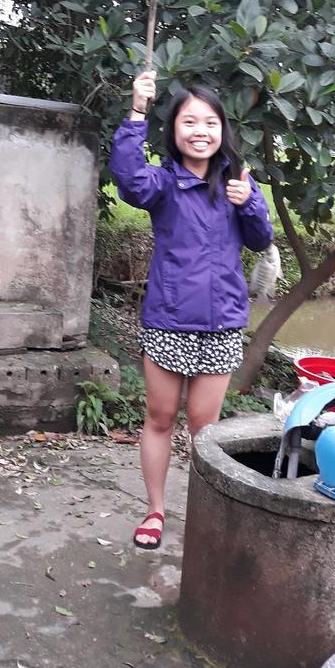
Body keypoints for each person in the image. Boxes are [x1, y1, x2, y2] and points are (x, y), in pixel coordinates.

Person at [111, 69, 275, 549]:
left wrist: (250, 205)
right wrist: (137, 111)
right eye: (189, 122)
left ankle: (207, 515)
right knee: (160, 418)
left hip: (222, 322)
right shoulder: (161, 183)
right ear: (175, 130)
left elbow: (261, 239)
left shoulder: (238, 182)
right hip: (168, 319)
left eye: (210, 122)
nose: (200, 131)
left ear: (222, 130)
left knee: (206, 427)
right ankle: (156, 511)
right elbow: (128, 180)